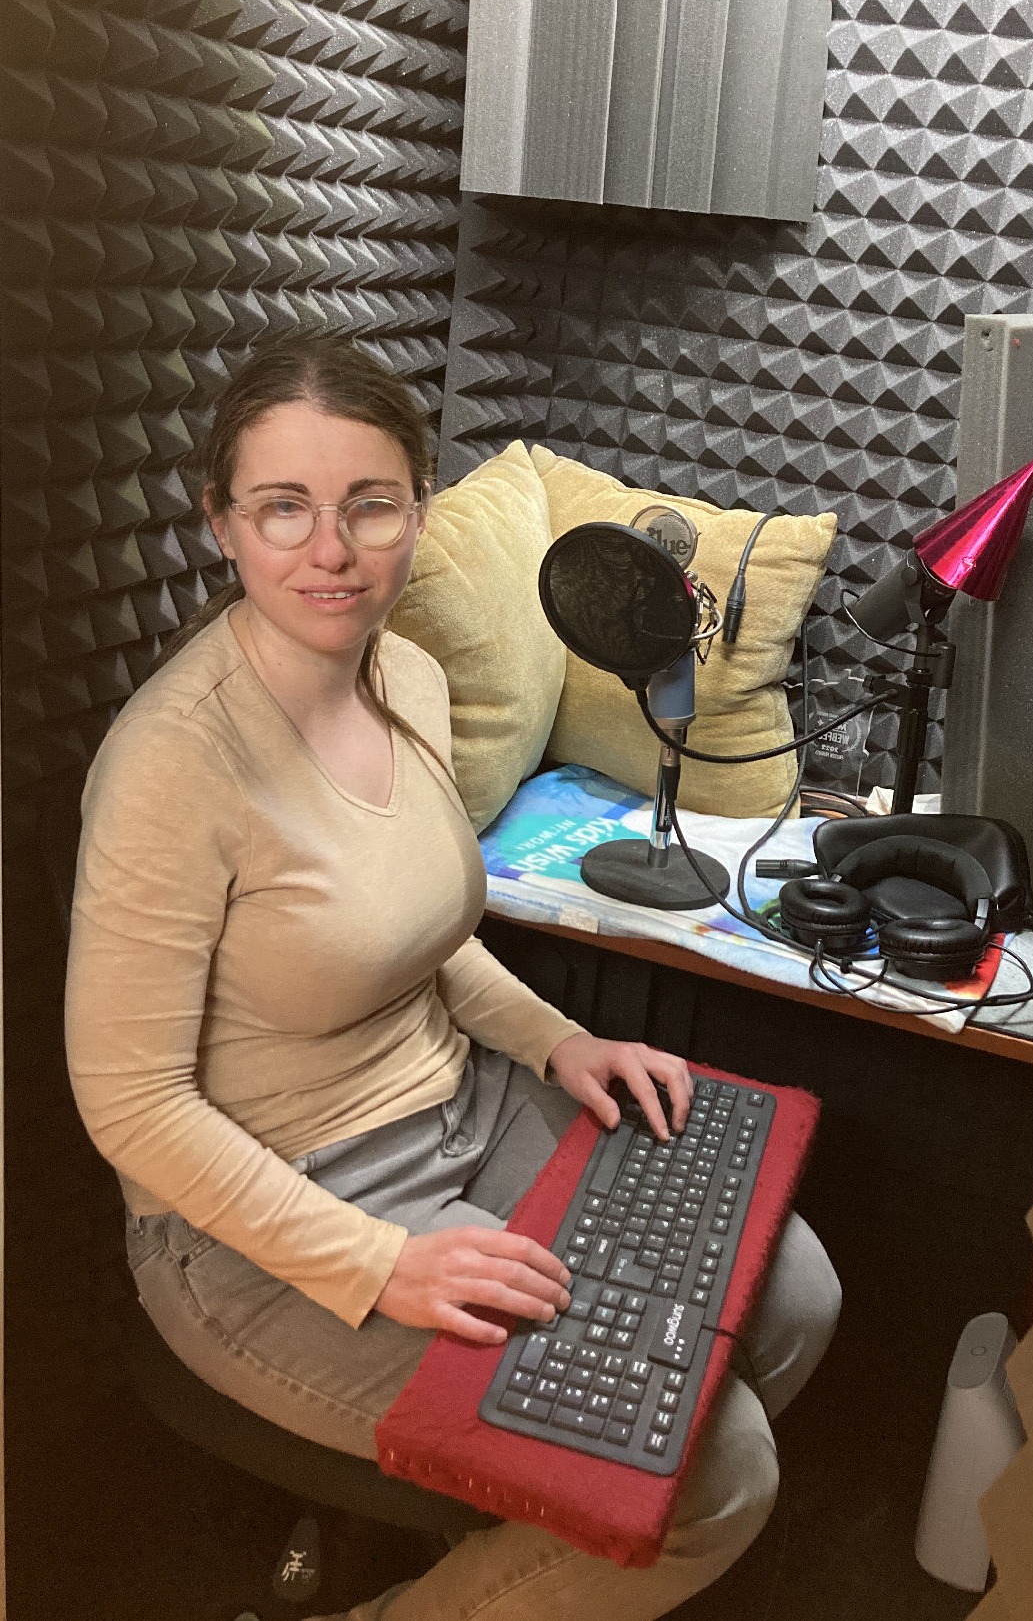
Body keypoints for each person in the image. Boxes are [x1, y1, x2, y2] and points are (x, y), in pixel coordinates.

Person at [64, 338, 841, 1621]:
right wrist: (380, 1264)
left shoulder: (409, 676)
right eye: (283, 508)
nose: (332, 548)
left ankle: (527, 1543)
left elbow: (418, 931)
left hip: (459, 1110)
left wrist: (556, 1042)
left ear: (417, 510)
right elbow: (133, 1106)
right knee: (715, 1478)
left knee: (792, 1292)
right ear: (221, 525)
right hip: (263, 1223)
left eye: (370, 503)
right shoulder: (170, 766)